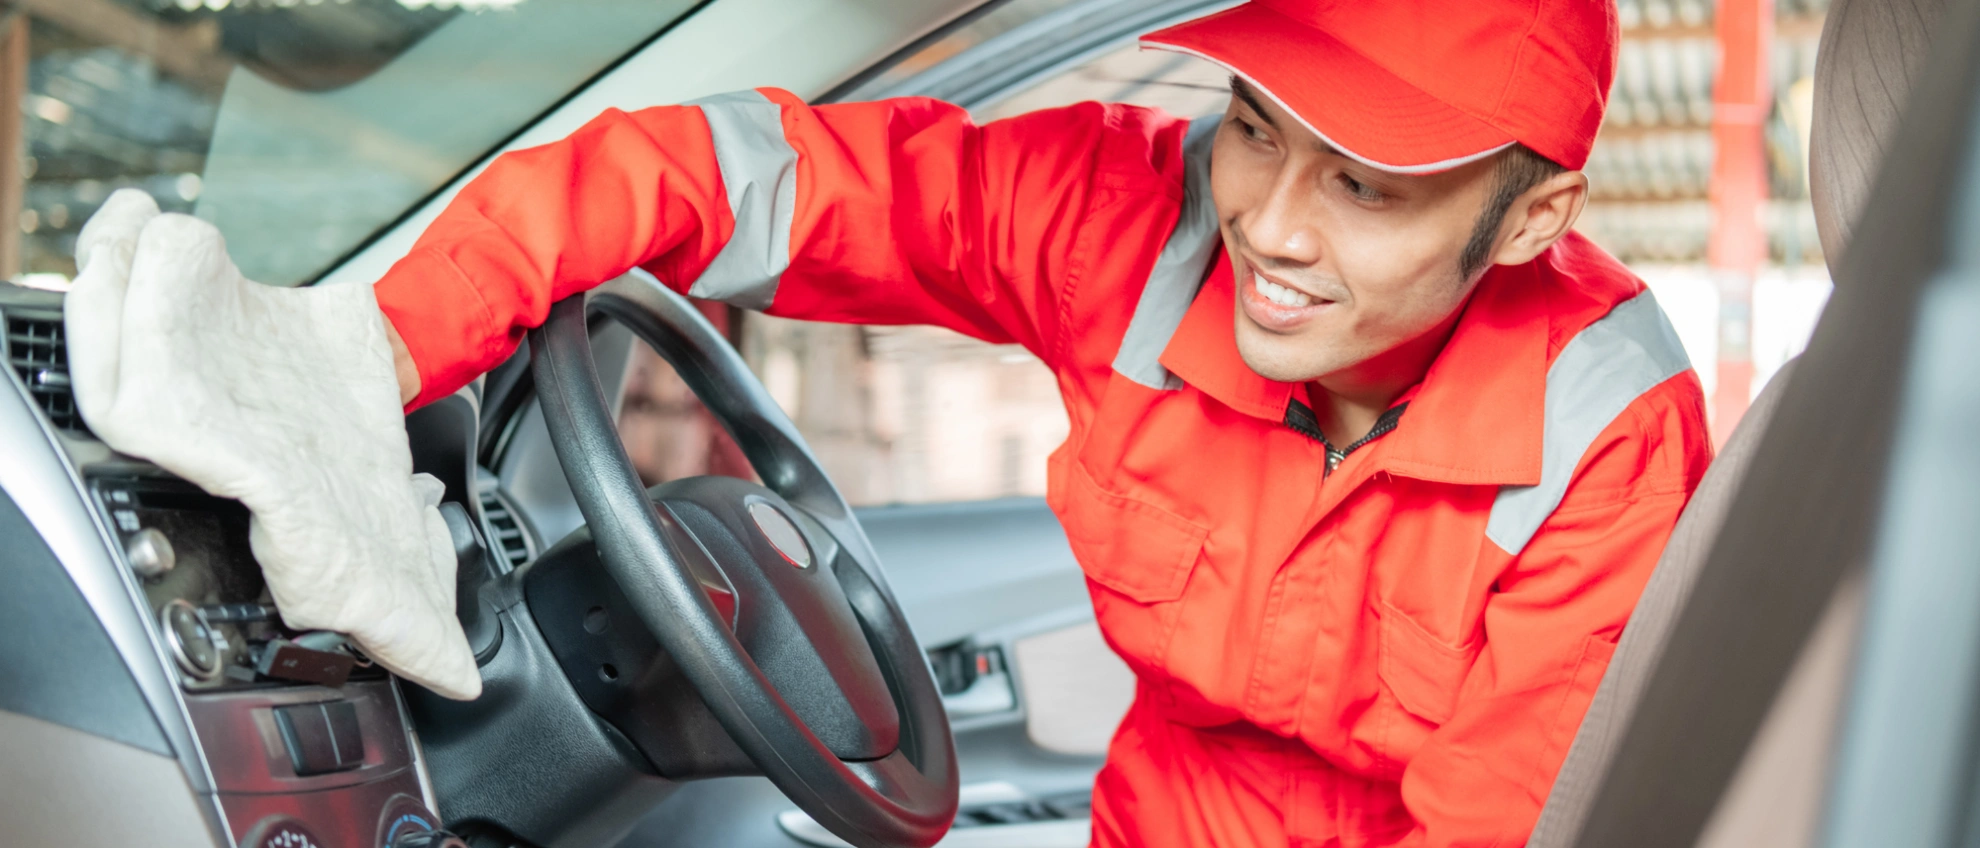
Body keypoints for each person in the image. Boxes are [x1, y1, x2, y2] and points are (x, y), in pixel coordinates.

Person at [378, 1, 1709, 844]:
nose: (1269, 227)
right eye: (1256, 129)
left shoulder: (1607, 439)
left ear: (1531, 218)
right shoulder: (1125, 219)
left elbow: (1505, 824)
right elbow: (748, 177)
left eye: (1365, 188)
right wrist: (383, 350)